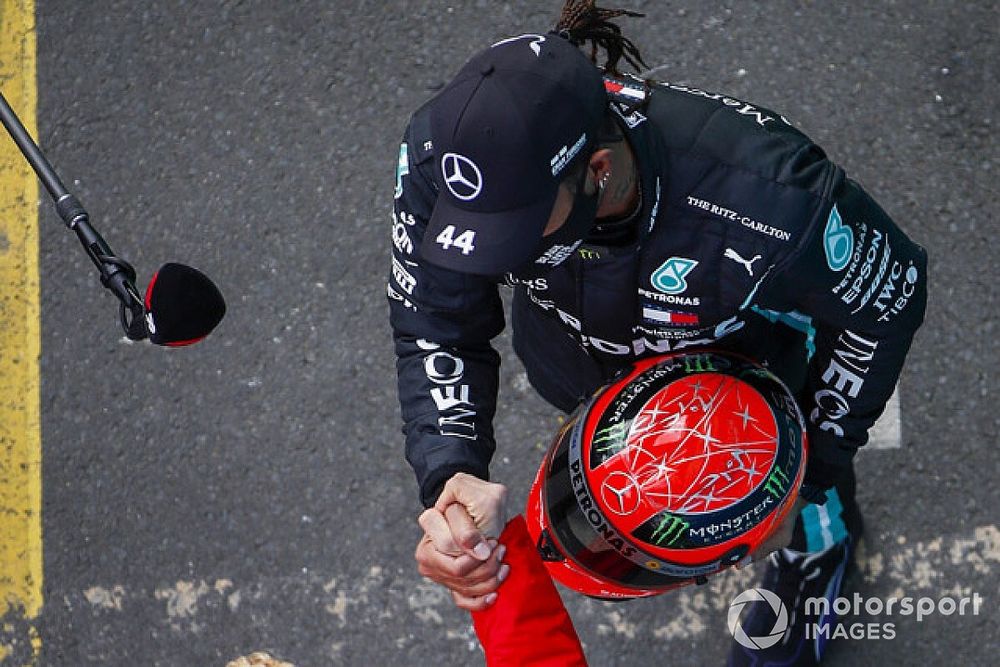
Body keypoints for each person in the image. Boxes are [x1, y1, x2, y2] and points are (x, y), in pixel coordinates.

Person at [386, 1, 927, 664]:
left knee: (803, 501)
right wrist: (453, 466)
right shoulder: (446, 163)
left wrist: (808, 470)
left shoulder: (773, 197)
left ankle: (818, 548)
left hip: (744, 393)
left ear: (599, 170)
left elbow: (890, 297)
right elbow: (435, 312)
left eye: (522, 225)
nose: (501, 253)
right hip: (581, 373)